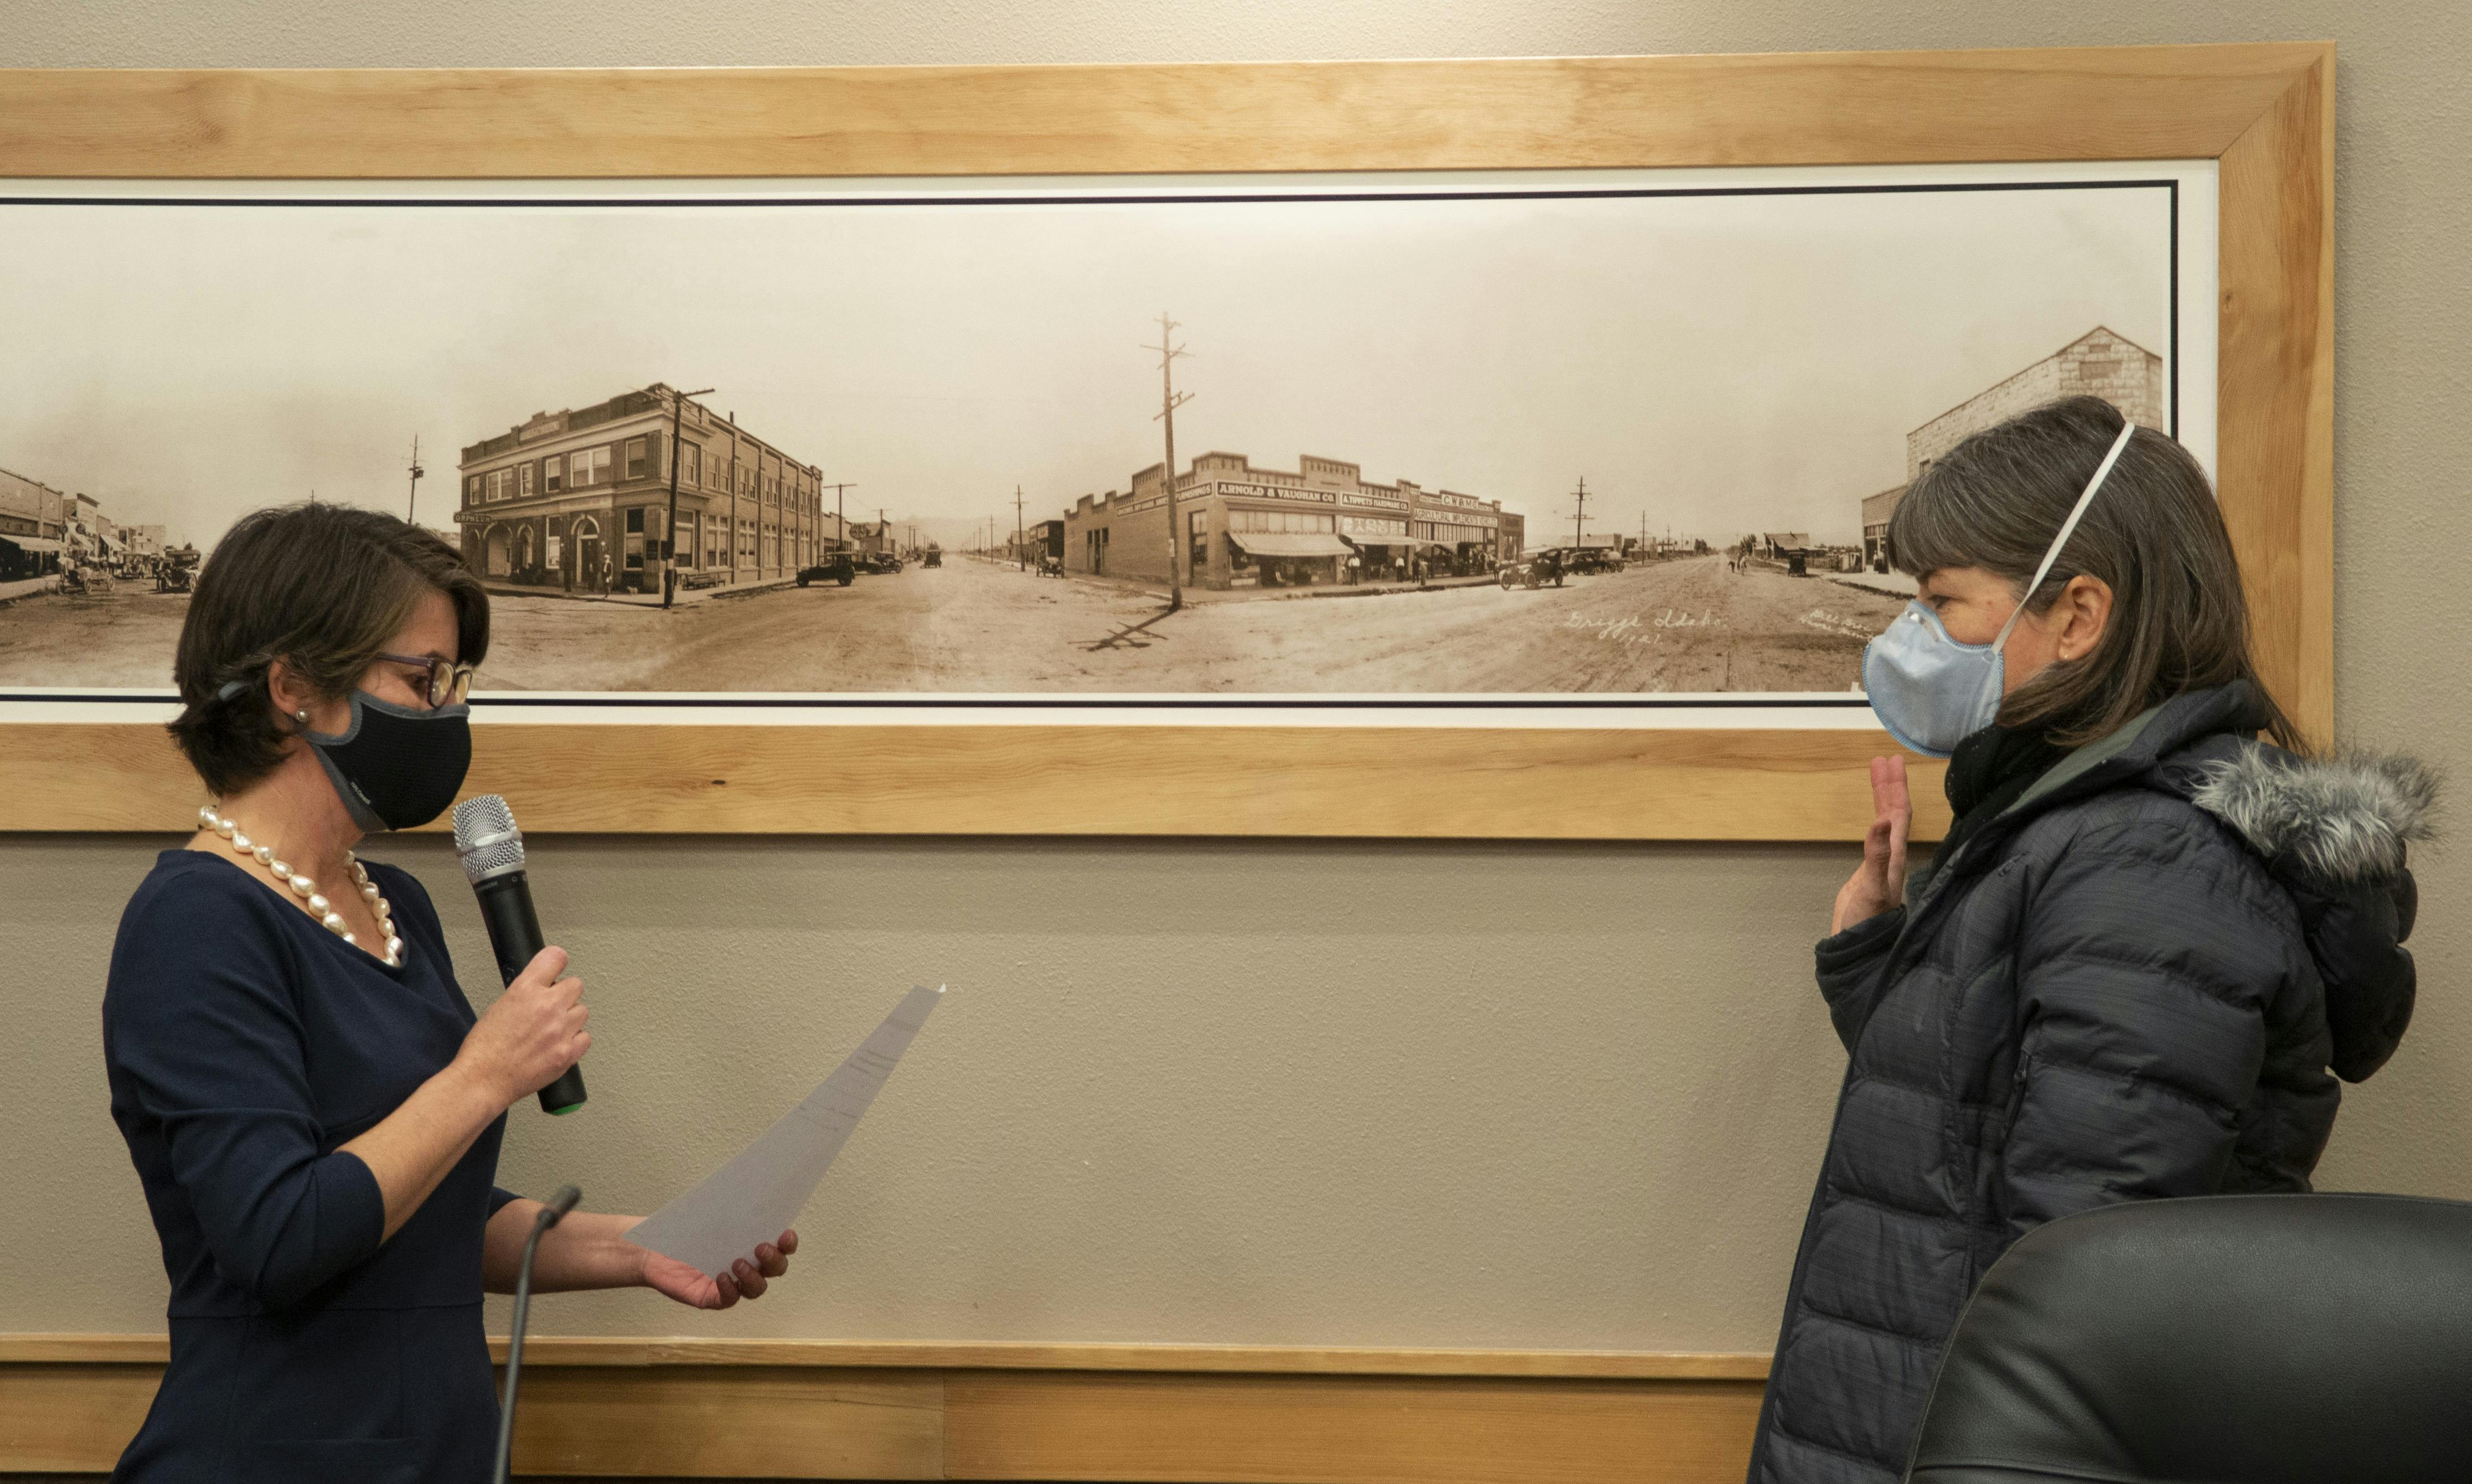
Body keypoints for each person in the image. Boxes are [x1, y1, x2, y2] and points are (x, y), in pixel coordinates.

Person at [1746, 396, 2433, 1484]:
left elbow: (2079, 1289)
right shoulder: (2078, 829)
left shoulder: (2147, 865)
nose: (1905, 639)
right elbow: (1981, 1119)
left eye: (1940, 604)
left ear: (2077, 617)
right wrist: (1876, 948)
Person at [105, 504, 798, 1482]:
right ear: (294, 685)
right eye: (424, 679)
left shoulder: (399, 908)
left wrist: (648, 1247)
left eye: (457, 681)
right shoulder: (197, 920)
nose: (451, 712)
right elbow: (283, 1233)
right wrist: (486, 1073)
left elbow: (429, 1224)